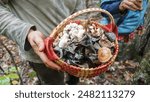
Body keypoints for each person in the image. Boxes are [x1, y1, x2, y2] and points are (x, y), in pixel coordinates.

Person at [0, 0, 86, 85]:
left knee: (74, 75)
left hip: (75, 46)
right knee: (54, 84)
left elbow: (79, 4)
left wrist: (81, 25)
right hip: (42, 52)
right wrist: (26, 32)